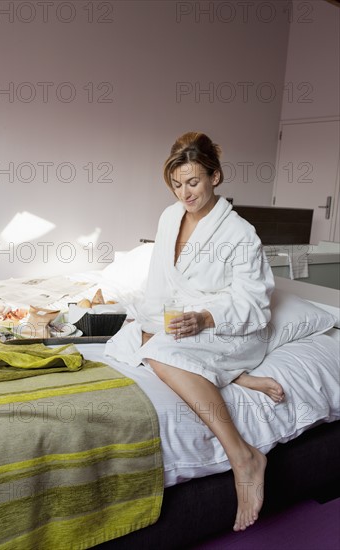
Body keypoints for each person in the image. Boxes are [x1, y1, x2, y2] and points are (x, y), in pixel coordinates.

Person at [105, 131, 285, 531]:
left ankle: (244, 456)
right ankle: (236, 378)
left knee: (160, 354)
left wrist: (204, 318)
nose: (184, 194)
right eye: (177, 184)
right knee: (131, 341)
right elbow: (160, 285)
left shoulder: (240, 233)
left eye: (193, 182)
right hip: (182, 324)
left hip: (229, 329)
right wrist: (150, 323)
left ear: (215, 177)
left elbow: (254, 304)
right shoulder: (170, 217)